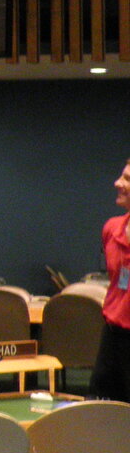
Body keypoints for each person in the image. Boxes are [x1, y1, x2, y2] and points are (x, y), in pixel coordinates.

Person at [94, 161, 130, 402]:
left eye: (126, 179)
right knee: (98, 409)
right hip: (113, 337)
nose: (117, 183)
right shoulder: (111, 229)